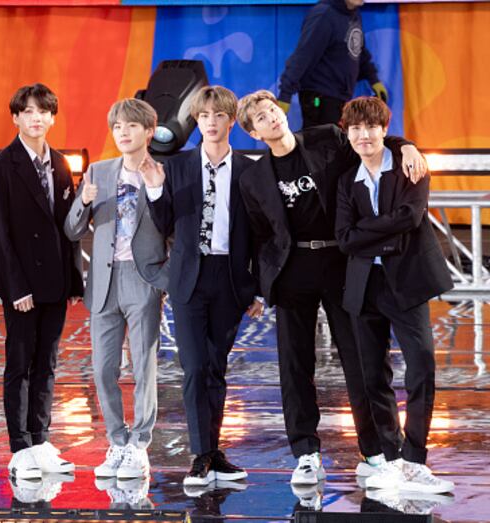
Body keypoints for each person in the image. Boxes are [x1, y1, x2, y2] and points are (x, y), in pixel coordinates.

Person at [235, 89, 427, 487]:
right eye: (262, 118)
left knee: (362, 361)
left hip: (340, 263)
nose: (272, 118)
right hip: (291, 272)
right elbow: (258, 236)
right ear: (254, 133)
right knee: (294, 366)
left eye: (273, 110)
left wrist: (405, 145)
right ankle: (306, 453)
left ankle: (376, 450)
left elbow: (367, 139)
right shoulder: (252, 178)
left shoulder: (325, 138)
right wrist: (258, 285)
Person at [140, 86, 263, 487]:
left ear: (231, 121)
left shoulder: (249, 170)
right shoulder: (177, 166)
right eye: (204, 116)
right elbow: (164, 223)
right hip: (188, 279)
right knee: (194, 367)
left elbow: (262, 232)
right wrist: (155, 188)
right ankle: (200, 454)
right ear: (196, 120)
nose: (211, 122)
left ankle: (213, 452)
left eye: (219, 115)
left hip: (231, 278)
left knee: (215, 367)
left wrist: (259, 289)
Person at [334, 96, 454, 494]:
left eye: (371, 127)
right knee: (373, 377)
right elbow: (344, 238)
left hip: (407, 282)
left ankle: (415, 459)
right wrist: (386, 235)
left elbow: (411, 216)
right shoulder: (346, 180)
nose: (363, 135)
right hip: (364, 286)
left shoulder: (410, 165)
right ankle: (391, 457)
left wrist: (367, 233)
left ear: (384, 130)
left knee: (421, 366)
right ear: (348, 133)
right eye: (355, 129)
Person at [0, 83, 83, 480]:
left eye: (43, 111)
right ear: (15, 118)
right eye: (28, 111)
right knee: (19, 363)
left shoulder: (59, 163)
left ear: (52, 117)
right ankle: (20, 446)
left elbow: (66, 228)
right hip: (22, 286)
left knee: (48, 363)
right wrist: (16, 286)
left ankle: (41, 439)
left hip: (55, 282)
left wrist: (74, 281)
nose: (36, 118)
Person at [64, 98, 169, 482]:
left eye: (131, 126)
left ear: (149, 131)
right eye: (117, 127)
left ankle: (139, 443)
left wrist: (164, 278)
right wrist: (83, 202)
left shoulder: (162, 172)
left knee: (143, 366)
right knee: (103, 368)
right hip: (103, 281)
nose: (123, 133)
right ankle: (117, 440)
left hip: (143, 279)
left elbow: (175, 227)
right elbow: (73, 230)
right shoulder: (99, 171)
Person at [277, 0, 388, 129]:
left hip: (340, 98)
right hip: (320, 98)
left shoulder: (353, 13)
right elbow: (303, 55)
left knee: (338, 140)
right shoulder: (324, 15)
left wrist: (373, 79)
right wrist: (285, 94)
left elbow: (358, 50)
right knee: (321, 141)